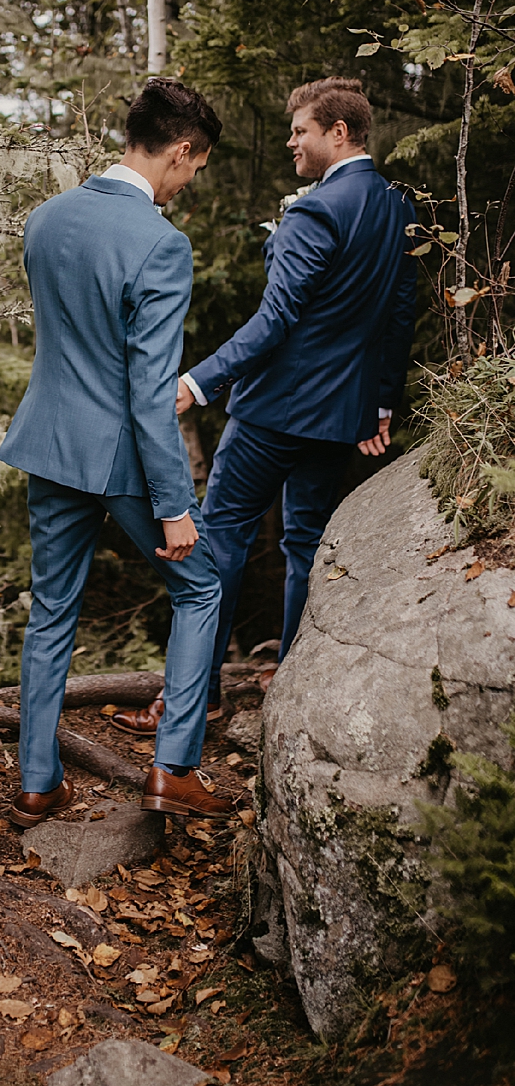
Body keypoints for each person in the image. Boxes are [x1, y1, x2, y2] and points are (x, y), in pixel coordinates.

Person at [110, 77, 416, 738]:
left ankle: (198, 699)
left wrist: (197, 381)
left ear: (338, 133)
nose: (291, 142)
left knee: (218, 541)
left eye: (300, 130)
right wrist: (381, 401)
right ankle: (295, 680)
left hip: (273, 413)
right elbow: (397, 310)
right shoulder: (396, 205)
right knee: (304, 544)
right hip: (341, 418)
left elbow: (275, 320)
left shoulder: (312, 213)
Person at [0, 79, 234, 826]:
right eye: (194, 167)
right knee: (200, 589)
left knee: (51, 613)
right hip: (123, 459)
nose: (189, 181)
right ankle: (174, 768)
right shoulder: (161, 244)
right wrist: (173, 507)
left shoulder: (44, 218)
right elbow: (146, 391)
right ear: (180, 150)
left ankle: (38, 781)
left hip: (48, 443)